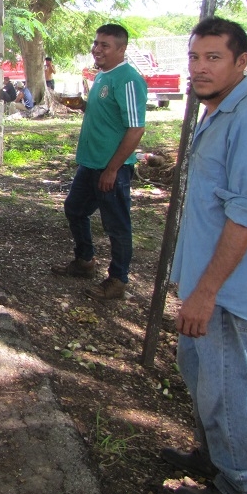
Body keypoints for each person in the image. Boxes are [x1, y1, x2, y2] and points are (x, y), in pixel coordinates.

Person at [160, 18, 247, 494]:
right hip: (202, 283)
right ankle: (214, 457)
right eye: (194, 57)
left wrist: (207, 291)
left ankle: (245, 488)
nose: (200, 68)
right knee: (204, 376)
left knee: (228, 384)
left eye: (213, 58)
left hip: (224, 291)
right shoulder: (217, 112)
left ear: (240, 62)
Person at [50, 24, 147, 300]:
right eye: (96, 43)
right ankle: (85, 262)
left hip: (110, 168)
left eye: (105, 45)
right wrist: (82, 105)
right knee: (75, 209)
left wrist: (113, 169)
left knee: (117, 224)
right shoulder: (103, 76)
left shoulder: (128, 79)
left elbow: (136, 128)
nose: (97, 49)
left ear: (121, 48)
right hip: (90, 164)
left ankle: (118, 279)